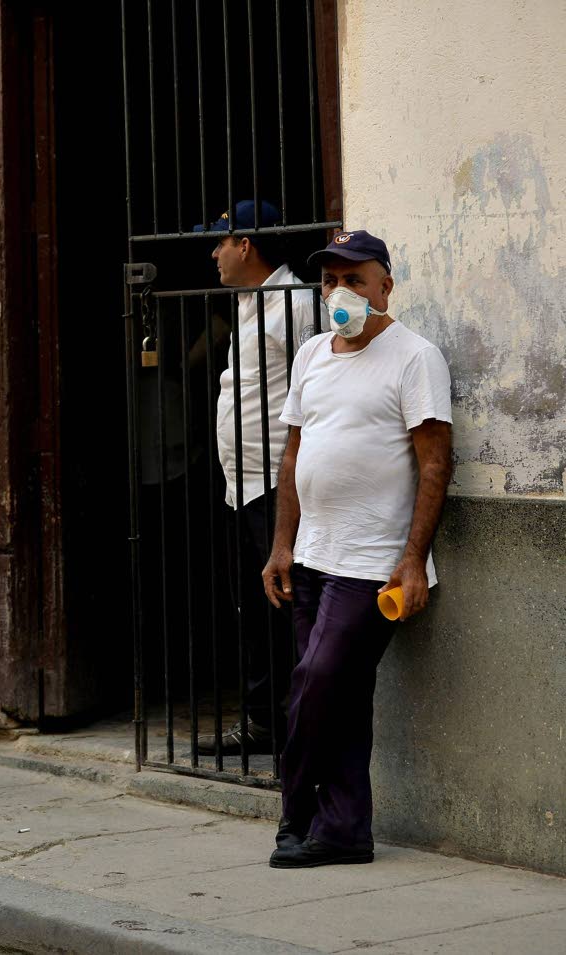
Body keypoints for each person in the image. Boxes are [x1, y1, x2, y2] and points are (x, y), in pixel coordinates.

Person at [263, 230, 453, 868]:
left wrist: (412, 560)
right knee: (339, 696)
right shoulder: (313, 354)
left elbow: (435, 464)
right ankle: (344, 832)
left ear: (384, 287)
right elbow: (294, 455)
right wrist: (282, 545)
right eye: (330, 281)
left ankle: (294, 813)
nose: (339, 292)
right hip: (311, 555)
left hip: (372, 565)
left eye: (354, 280)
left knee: (315, 681)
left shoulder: (414, 357)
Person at [192, 200, 317, 757]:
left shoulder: (293, 303)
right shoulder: (248, 303)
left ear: (245, 245)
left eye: (220, 243)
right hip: (239, 482)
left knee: (288, 606)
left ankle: (300, 726)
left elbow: (315, 386)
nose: (213, 254)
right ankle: (264, 721)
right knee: (253, 607)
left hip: (275, 482)